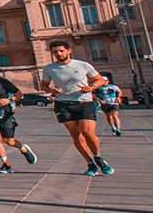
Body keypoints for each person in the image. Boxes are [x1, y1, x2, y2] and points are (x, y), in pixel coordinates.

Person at [39, 41, 113, 174]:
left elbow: (100, 80)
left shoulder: (83, 65)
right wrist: (51, 89)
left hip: (84, 101)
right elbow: (43, 86)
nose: (59, 54)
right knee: (76, 135)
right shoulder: (49, 68)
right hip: (63, 104)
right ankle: (90, 164)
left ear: (69, 51)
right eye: (55, 52)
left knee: (87, 132)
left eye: (61, 51)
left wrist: (91, 88)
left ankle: (98, 157)